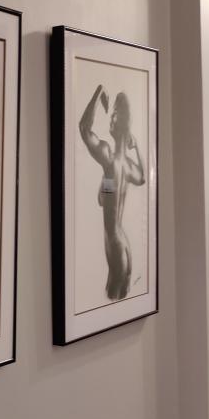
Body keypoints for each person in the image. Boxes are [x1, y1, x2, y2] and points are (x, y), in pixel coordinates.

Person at [79, 85, 146, 300]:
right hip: (123, 244)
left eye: (115, 114)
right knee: (120, 300)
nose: (111, 118)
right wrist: (137, 148)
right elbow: (141, 178)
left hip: (116, 246)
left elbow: (84, 128)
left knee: (112, 300)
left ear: (122, 124)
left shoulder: (109, 156)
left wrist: (99, 92)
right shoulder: (126, 166)